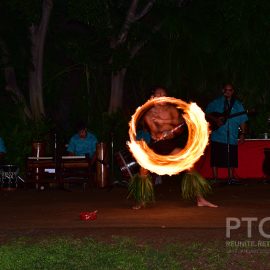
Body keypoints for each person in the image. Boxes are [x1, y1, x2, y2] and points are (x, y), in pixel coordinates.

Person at [129, 87, 217, 209]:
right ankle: (142, 201)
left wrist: (172, 132)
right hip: (156, 146)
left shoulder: (172, 110)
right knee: (143, 171)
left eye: (164, 94)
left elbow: (179, 127)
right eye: (158, 94)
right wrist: (162, 132)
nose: (161, 96)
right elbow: (155, 133)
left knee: (189, 165)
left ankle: (200, 199)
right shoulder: (148, 114)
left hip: (170, 145)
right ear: (153, 97)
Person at [205, 83, 248, 185]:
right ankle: (215, 178)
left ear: (233, 91)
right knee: (216, 157)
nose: (228, 92)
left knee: (231, 156)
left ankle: (231, 177)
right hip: (217, 134)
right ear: (223, 91)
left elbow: (243, 120)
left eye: (230, 90)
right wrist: (216, 119)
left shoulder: (238, 105)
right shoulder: (216, 102)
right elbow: (206, 113)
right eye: (226, 90)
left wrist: (243, 133)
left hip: (231, 134)